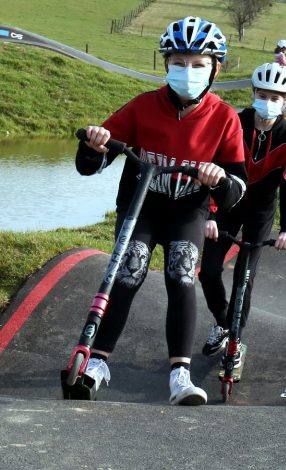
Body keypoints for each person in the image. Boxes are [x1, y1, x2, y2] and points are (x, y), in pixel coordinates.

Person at [74, 16, 247, 406]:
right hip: (142, 206)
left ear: (215, 69)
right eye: (179, 63)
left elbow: (237, 191)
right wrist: (95, 144)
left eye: (198, 64)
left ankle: (179, 375)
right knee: (130, 271)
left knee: (182, 273)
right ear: (165, 64)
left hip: (188, 212)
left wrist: (217, 178)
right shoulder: (142, 107)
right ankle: (97, 363)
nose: (188, 72)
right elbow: (90, 165)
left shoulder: (225, 119)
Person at [198, 62, 286, 367]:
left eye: (275, 97)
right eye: (262, 94)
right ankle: (222, 323)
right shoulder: (234, 123)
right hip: (229, 202)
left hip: (260, 210)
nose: (267, 102)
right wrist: (211, 215)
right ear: (253, 93)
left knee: (245, 277)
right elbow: (213, 170)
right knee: (208, 270)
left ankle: (235, 340)